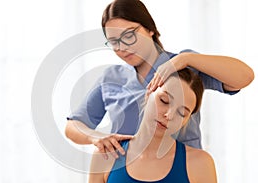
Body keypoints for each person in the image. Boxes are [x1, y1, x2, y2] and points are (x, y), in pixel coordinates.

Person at [65, 0, 254, 157]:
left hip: (183, 175)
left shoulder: (185, 66)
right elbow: (73, 126)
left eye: (129, 35)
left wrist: (186, 58)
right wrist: (95, 137)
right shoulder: (111, 78)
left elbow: (244, 77)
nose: (122, 47)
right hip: (127, 177)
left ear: (150, 29)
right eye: (114, 42)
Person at [87, 68, 217, 183]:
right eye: (164, 101)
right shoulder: (105, 156)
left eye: (182, 113)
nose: (169, 115)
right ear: (149, 93)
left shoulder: (200, 164)